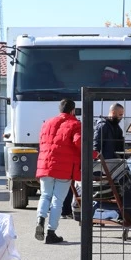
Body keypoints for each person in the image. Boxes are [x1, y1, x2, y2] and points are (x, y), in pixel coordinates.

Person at [35, 98, 82, 244]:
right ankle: (51, 232)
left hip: (45, 165)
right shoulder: (75, 124)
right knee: (57, 200)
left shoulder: (47, 123)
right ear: (73, 110)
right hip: (64, 167)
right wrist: (93, 154)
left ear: (60, 109)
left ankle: (40, 219)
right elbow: (79, 142)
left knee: (45, 195)